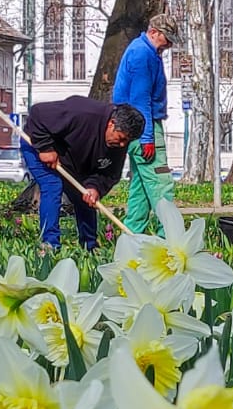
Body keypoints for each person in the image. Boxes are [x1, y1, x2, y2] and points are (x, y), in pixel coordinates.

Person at [19, 97, 143, 251]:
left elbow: (110, 173)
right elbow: (38, 113)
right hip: (36, 142)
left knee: (86, 196)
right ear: (111, 124)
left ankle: (89, 246)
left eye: (128, 141)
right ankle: (50, 244)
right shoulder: (81, 112)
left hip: (70, 159)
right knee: (52, 185)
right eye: (122, 138)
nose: (123, 145)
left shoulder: (118, 144)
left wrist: (94, 187)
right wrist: (45, 148)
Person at [112, 13, 177, 233]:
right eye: (166, 38)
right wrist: (147, 137)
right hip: (143, 127)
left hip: (134, 124)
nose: (168, 44)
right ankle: (170, 238)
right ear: (153, 32)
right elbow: (141, 100)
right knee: (160, 183)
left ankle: (131, 238)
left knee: (140, 187)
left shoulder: (144, 50)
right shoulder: (142, 54)